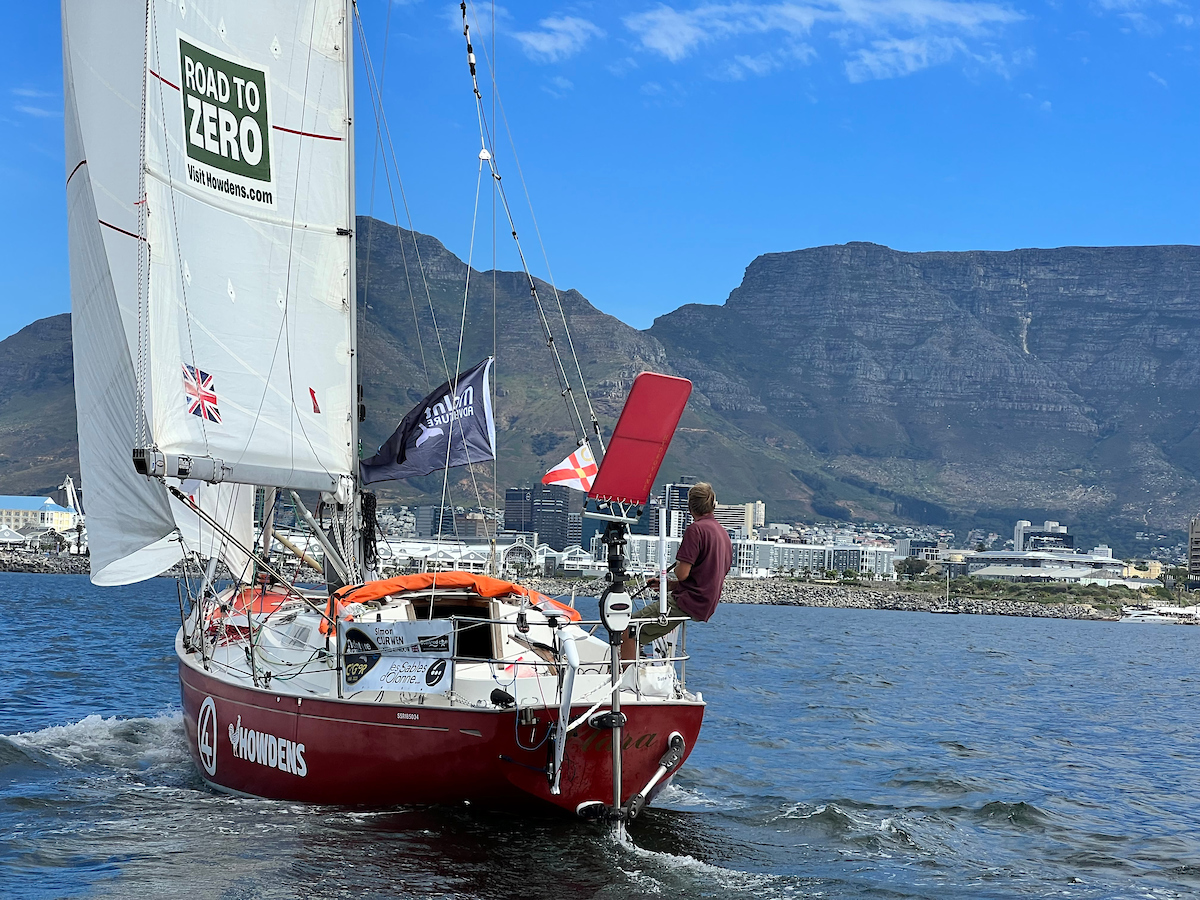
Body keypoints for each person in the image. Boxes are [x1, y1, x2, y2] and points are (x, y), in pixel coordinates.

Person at [622, 482, 732, 659]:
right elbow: (705, 575)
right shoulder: (723, 533)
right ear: (712, 505)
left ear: (690, 507)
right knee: (640, 633)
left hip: (689, 601)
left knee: (628, 628)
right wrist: (669, 585)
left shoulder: (696, 530)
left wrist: (680, 565)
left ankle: (623, 682)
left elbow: (682, 573)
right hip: (705, 603)